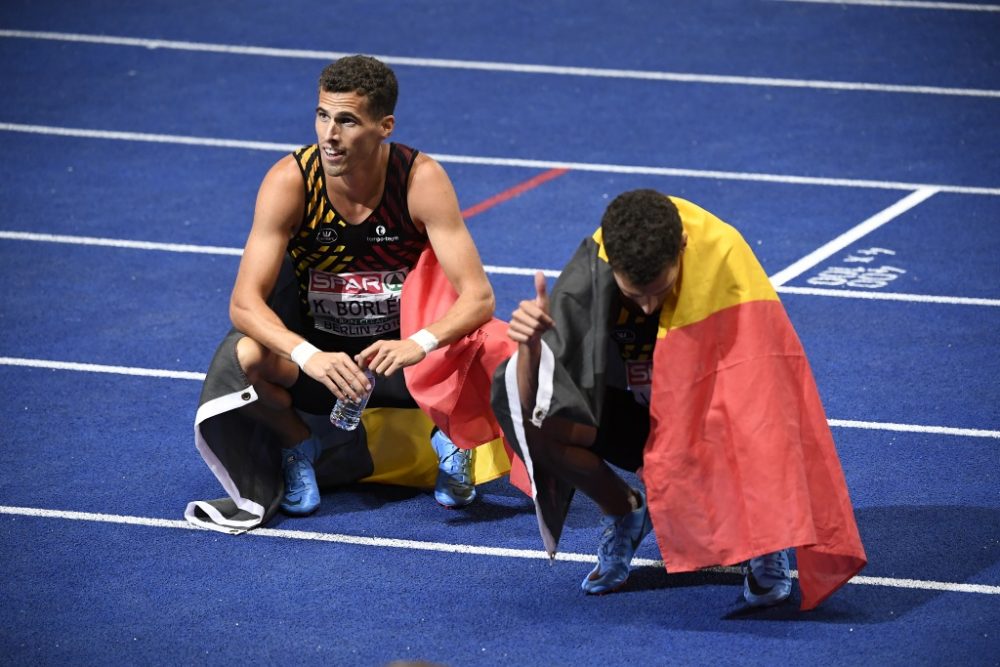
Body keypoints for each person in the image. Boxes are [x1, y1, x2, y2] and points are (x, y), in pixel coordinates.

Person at [492, 190, 867, 610]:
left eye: (660, 290)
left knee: (761, 414)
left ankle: (765, 539)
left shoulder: (725, 257)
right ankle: (624, 510)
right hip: (633, 412)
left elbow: (767, 399)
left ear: (683, 248)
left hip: (712, 420)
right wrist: (530, 348)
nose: (649, 306)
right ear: (611, 264)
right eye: (635, 295)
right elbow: (530, 405)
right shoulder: (592, 270)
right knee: (538, 425)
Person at [185, 55, 514, 532]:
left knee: (499, 347)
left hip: (405, 365)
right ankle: (298, 442)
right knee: (246, 355)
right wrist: (309, 356)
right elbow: (243, 303)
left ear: (384, 126)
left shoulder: (420, 181)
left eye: (346, 121)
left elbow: (479, 298)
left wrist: (417, 344)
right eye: (322, 115)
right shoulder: (291, 181)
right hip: (325, 368)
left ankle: (453, 439)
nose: (329, 135)